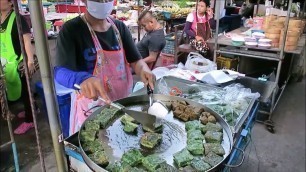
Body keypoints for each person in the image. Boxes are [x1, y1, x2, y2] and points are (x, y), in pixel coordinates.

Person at [54, 0, 155, 135]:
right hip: (92, 110)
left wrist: (144, 70)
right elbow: (59, 72)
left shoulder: (119, 28)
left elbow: (136, 60)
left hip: (123, 104)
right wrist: (81, 78)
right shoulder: (72, 30)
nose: (103, 2)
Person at [0, 0, 36, 134]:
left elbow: (27, 41)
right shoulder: (1, 18)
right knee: (19, 89)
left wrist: (30, 60)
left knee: (25, 90)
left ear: (10, 3)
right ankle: (34, 108)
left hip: (20, 61)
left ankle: (29, 120)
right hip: (5, 62)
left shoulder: (18, 18)